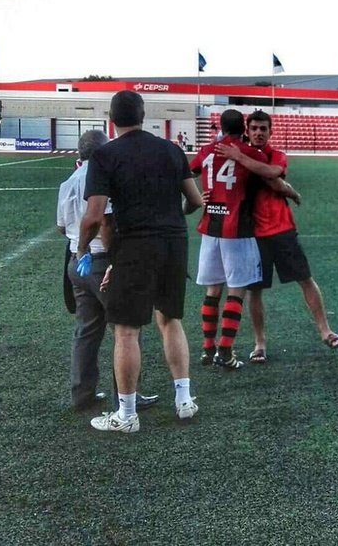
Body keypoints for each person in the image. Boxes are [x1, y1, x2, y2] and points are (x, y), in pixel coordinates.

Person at [79, 90, 203, 433]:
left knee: (126, 330)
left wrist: (82, 249)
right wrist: (170, 216)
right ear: (143, 115)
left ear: (111, 119)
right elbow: (195, 200)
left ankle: (127, 415)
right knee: (171, 319)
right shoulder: (170, 148)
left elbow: (93, 215)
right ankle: (184, 401)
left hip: (135, 245)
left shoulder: (105, 155)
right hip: (175, 242)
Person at [216, 110, 338, 362]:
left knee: (305, 279)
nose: (258, 133)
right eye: (254, 128)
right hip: (252, 235)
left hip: (282, 229)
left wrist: (241, 156)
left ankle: (325, 330)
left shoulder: (274, 155)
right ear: (247, 131)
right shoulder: (239, 158)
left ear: (270, 132)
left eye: (263, 128)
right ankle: (259, 343)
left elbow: (273, 177)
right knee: (256, 291)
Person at [58, 130, 158, 411]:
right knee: (126, 330)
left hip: (77, 260)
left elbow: (61, 227)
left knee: (86, 330)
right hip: (102, 260)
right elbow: (106, 220)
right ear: (103, 151)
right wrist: (116, 257)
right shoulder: (105, 176)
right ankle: (126, 397)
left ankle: (82, 394)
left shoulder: (69, 182)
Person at [191, 109, 278, 370]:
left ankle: (208, 349)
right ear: (244, 128)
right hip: (237, 230)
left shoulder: (207, 150)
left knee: (212, 290)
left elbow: (186, 172)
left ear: (220, 126)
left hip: (210, 229)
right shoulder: (248, 152)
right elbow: (271, 175)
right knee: (237, 291)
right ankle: (226, 351)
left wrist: (199, 196)